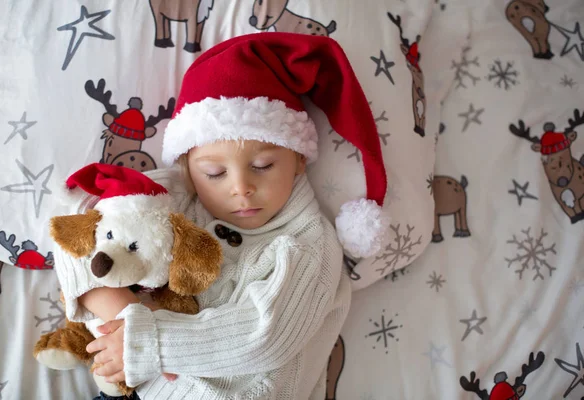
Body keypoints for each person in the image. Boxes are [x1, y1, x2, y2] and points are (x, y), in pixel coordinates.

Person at [55, 32, 391, 399]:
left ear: (297, 160)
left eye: (263, 165)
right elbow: (80, 222)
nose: (241, 187)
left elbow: (265, 337)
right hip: (137, 386)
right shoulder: (174, 197)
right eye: (215, 173)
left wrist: (151, 341)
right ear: (187, 165)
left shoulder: (309, 244)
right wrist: (123, 312)